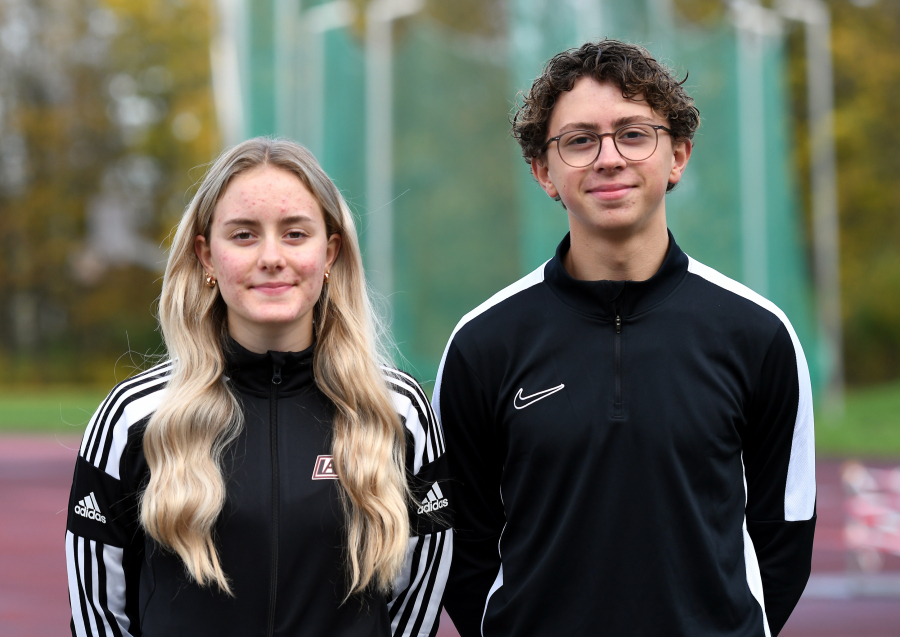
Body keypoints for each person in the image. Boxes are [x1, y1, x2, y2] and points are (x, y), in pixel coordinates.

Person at [434, 40, 815, 637]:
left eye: (634, 134)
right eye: (580, 140)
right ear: (544, 171)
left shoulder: (757, 333)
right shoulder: (483, 344)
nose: (608, 158)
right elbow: (464, 540)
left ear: (678, 155)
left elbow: (785, 532)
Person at [65, 137, 451, 637]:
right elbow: (98, 617)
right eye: (244, 235)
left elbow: (414, 607)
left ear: (329, 251)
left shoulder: (397, 412)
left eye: (295, 234)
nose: (271, 257)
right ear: (207, 256)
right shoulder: (134, 418)